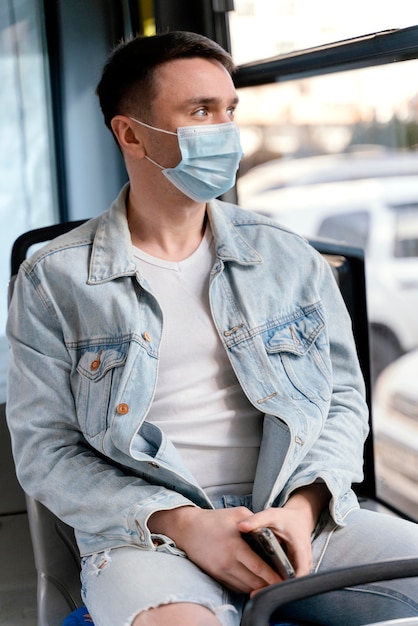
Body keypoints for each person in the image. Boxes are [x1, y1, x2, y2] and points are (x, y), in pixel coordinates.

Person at [6, 30, 418, 626]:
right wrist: (184, 523)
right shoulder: (53, 280)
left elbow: (343, 402)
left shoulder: (287, 257)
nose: (225, 130)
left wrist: (304, 509)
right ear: (130, 134)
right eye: (200, 111)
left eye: (230, 110)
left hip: (294, 518)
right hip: (148, 536)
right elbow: (46, 451)